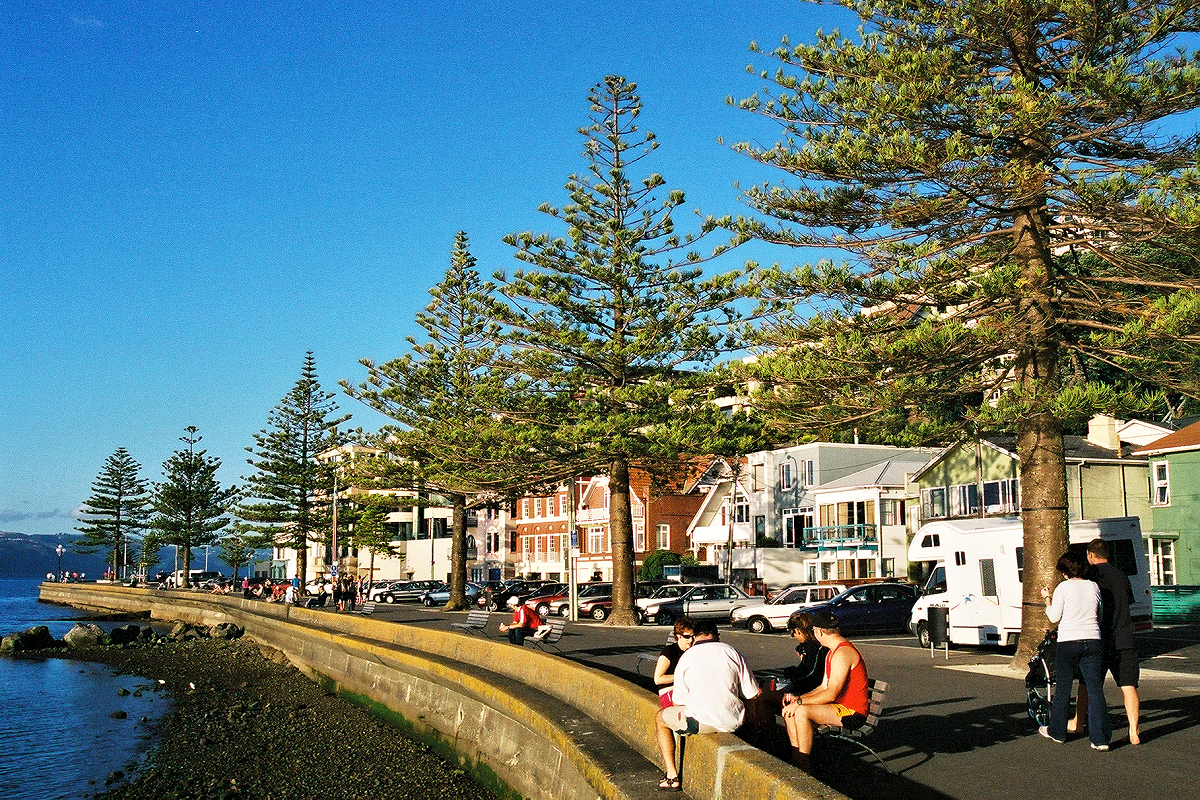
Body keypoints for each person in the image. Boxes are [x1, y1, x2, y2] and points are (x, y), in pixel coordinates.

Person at [655, 619, 761, 791]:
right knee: (752, 712)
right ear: (718, 636)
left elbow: (677, 702)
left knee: (660, 718)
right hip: (734, 723)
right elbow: (752, 694)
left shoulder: (687, 657)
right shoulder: (734, 653)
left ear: (695, 637)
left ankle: (672, 776)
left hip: (699, 723)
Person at [780, 608, 869, 774]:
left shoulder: (843, 653)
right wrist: (797, 699)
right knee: (793, 709)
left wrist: (800, 702)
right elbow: (822, 687)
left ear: (819, 631)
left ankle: (804, 765)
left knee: (802, 711)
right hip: (839, 706)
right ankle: (796, 758)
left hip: (853, 712)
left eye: (814, 631)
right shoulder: (832, 652)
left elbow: (831, 693)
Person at [1039, 549, 1111, 750]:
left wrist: (1047, 598)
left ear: (1065, 572)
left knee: (1063, 688)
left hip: (1069, 640)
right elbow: (1100, 613)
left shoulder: (1063, 588)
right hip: (1093, 640)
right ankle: (1100, 739)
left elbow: (1054, 617)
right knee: (1095, 689)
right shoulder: (1094, 587)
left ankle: (1057, 732)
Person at [1072, 538, 1141, 745]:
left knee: (1087, 684)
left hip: (1099, 638)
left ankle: (1078, 722)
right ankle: (1133, 731)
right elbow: (1127, 602)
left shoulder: (1090, 577)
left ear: (1091, 555)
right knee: (1128, 685)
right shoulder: (1121, 576)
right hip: (1124, 638)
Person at [653, 618, 696, 708]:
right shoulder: (669, 651)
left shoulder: (693, 651)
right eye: (687, 637)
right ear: (678, 636)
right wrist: (681, 676)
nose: (690, 640)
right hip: (669, 693)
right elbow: (658, 679)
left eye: (693, 636)